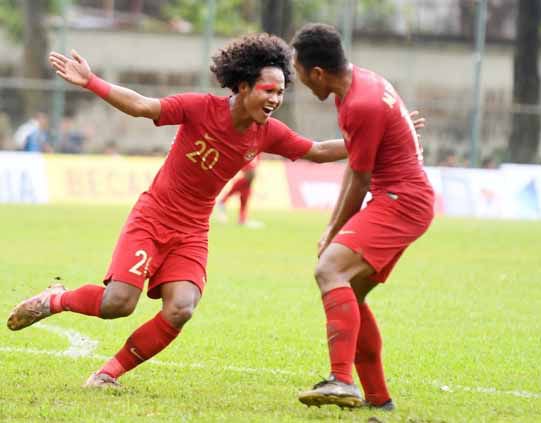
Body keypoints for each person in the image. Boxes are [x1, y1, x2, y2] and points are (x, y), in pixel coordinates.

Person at [6, 33, 352, 388]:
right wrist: (92, 81)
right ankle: (55, 300)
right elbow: (143, 105)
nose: (276, 100)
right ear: (244, 86)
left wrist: (373, 137)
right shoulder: (200, 107)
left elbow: (318, 150)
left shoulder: (267, 132)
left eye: (280, 93)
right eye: (269, 91)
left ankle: (107, 374)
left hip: (192, 232)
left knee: (181, 308)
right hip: (153, 217)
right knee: (118, 304)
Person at [292, 23, 434, 409]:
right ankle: (378, 399)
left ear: (317, 72)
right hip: (401, 198)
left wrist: (333, 231)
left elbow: (360, 177)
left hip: (401, 201)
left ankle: (341, 381)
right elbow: (358, 164)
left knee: (328, 271)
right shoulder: (358, 86)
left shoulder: (360, 103)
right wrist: (332, 229)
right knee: (350, 291)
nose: (301, 82)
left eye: (300, 74)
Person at [214, 154, 263, 228]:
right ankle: (222, 202)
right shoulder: (250, 151)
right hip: (244, 179)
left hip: (248, 182)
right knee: (233, 195)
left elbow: (254, 168)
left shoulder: (258, 154)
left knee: (244, 200)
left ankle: (242, 219)